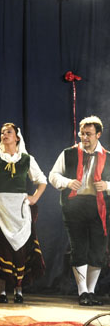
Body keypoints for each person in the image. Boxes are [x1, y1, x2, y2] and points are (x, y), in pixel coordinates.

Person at [0, 123, 47, 304]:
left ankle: (18, 290)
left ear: (17, 137)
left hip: (19, 209)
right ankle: (2, 291)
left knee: (19, 250)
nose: (4, 135)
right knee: (1, 249)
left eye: (9, 132)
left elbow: (41, 181)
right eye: (2, 132)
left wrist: (34, 197)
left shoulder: (27, 159)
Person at [49, 116, 107, 306]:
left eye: (89, 134)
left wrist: (107, 185)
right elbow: (53, 175)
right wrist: (67, 182)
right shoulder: (68, 153)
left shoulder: (108, 156)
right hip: (74, 205)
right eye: (82, 133)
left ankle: (90, 292)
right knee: (79, 248)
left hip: (99, 206)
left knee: (97, 250)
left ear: (98, 134)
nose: (84, 137)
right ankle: (82, 292)